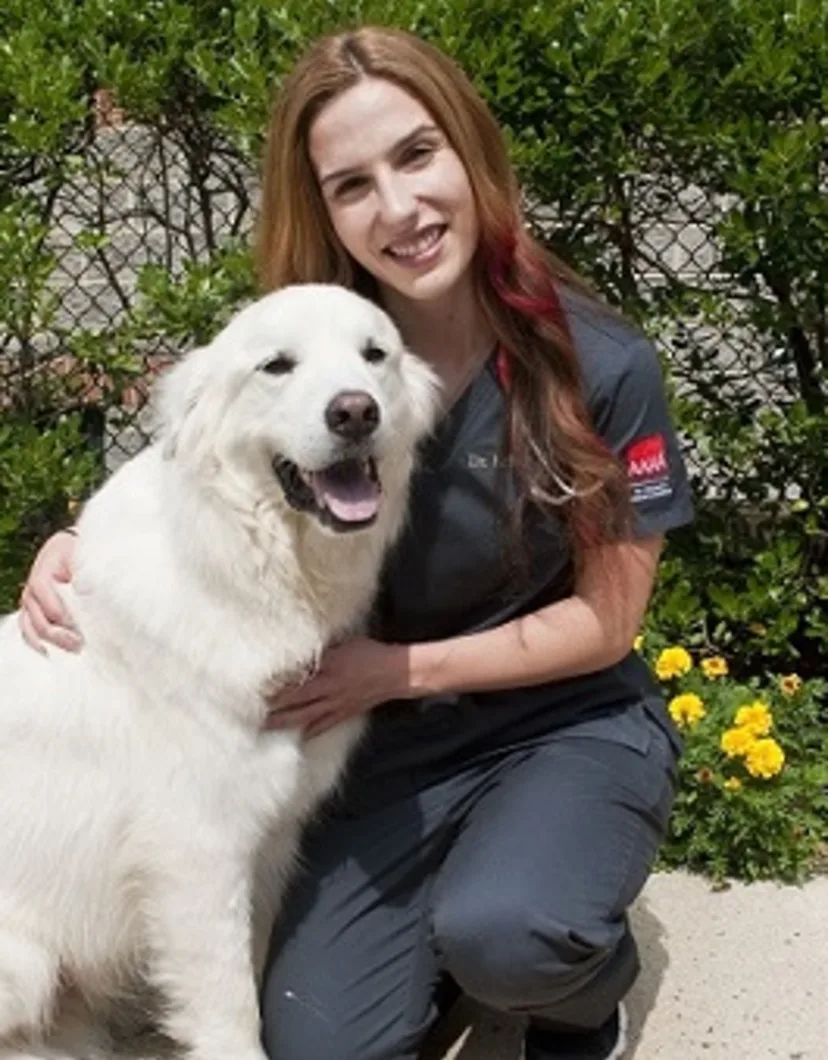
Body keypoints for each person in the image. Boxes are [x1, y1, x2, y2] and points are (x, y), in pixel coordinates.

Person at [19, 25, 694, 1060]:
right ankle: (457, 948)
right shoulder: (326, 333)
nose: (399, 208)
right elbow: (206, 446)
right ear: (323, 207)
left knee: (514, 932)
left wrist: (396, 668)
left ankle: (570, 980)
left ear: (471, 150)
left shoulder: (597, 363)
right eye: (352, 183)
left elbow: (610, 620)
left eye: (417, 155)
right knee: (322, 1042)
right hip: (394, 746)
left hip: (555, 721)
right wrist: (76, 545)